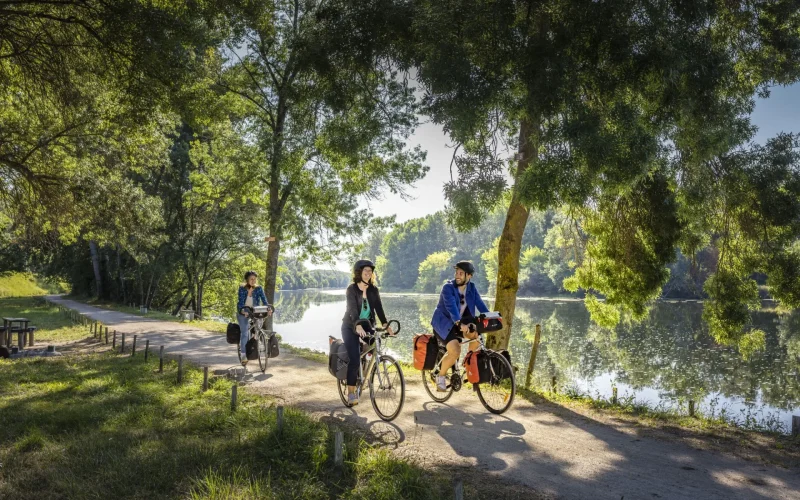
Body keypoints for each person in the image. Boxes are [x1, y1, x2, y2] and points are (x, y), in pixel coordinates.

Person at [341, 259, 394, 406]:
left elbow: (379, 309)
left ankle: (364, 369)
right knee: (355, 358)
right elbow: (352, 309)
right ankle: (351, 393)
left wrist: (386, 325)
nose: (368, 273)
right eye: (365, 271)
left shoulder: (373, 290)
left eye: (370, 271)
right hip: (350, 326)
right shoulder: (351, 289)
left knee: (376, 345)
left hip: (367, 325)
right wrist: (357, 325)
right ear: (359, 273)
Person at [430, 260, 489, 391]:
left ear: (469, 276)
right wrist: (458, 322)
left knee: (476, 338)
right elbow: (451, 307)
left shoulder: (472, 288)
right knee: (455, 351)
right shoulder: (448, 288)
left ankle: (468, 365)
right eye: (456, 272)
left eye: (461, 273)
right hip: (444, 323)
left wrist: (491, 317)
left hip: (461, 323)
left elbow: (480, 304)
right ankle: (440, 376)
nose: (457, 275)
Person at [237, 270, 270, 366]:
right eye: (251, 279)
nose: (253, 281)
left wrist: (268, 309)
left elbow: (264, 301)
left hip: (255, 311)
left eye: (255, 279)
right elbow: (240, 303)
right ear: (247, 280)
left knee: (258, 328)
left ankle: (255, 341)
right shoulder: (242, 289)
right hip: (244, 311)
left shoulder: (259, 288)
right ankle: (243, 355)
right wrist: (242, 311)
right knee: (244, 333)